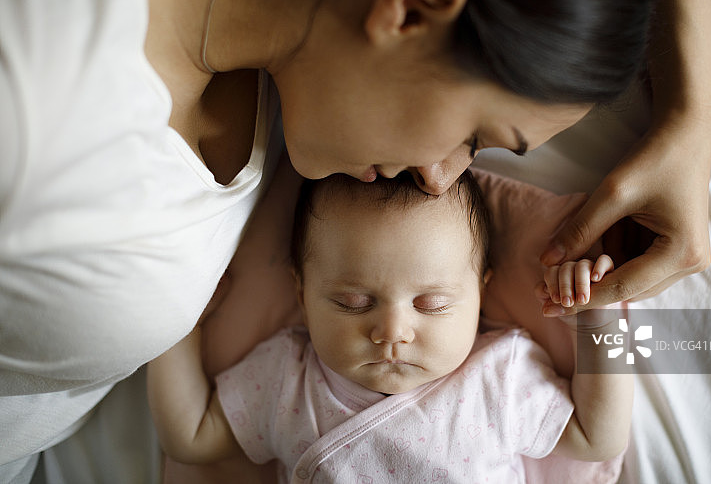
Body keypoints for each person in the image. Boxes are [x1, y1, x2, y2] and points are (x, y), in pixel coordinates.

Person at [0, 0, 711, 480]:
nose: (440, 178)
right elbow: (196, 434)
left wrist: (693, 122)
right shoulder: (36, 107)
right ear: (412, 10)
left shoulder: (306, 57)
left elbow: (598, 433)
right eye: (474, 137)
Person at [147, 171, 632, 482]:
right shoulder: (287, 379)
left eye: (433, 303)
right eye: (353, 302)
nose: (393, 330)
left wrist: (599, 317)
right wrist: (174, 323)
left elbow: (599, 439)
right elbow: (189, 437)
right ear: (301, 294)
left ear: (480, 293)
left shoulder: (499, 378)